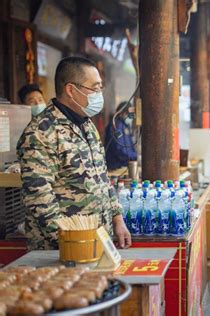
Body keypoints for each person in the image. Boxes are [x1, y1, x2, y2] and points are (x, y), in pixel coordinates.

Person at [17, 56, 131, 250]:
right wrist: (70, 243)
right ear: (71, 90)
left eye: (100, 88)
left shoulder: (86, 124)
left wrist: (117, 219)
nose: (98, 94)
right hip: (61, 249)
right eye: (94, 88)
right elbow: (40, 199)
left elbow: (103, 178)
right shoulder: (41, 132)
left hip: (98, 239)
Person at [105, 101, 137, 171]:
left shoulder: (125, 126)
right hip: (115, 167)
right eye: (130, 115)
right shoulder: (115, 127)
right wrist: (134, 156)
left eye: (132, 115)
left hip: (123, 166)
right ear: (122, 113)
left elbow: (129, 146)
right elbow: (119, 148)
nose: (131, 117)